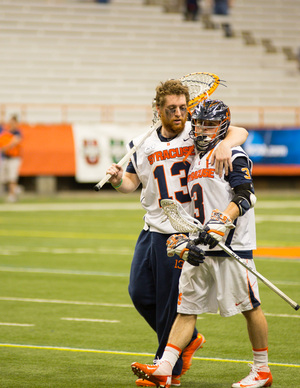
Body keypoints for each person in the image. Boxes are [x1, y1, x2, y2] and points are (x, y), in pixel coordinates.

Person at [106, 81, 249, 387]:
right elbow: (132, 183)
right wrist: (119, 180)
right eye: (171, 108)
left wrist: (224, 143)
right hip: (152, 226)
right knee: (140, 293)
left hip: (183, 228)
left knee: (171, 302)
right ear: (157, 110)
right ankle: (189, 339)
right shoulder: (142, 143)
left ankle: (164, 370)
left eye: (183, 107)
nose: (179, 114)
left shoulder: (194, 132)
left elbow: (238, 132)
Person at [131, 99, 272, 388]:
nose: (202, 129)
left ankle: (262, 370)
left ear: (222, 126)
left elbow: (245, 195)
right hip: (202, 245)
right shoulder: (195, 158)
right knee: (186, 309)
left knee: (250, 306)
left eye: (209, 124)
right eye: (199, 123)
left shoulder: (232, 153)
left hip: (231, 247)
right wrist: (186, 238)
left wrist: (222, 223)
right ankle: (165, 367)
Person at [0, 114, 23, 202]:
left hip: (14, 158)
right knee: (4, 178)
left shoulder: (17, 132)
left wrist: (5, 148)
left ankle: (12, 195)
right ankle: (16, 188)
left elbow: (15, 142)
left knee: (12, 177)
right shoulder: (6, 132)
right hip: (6, 158)